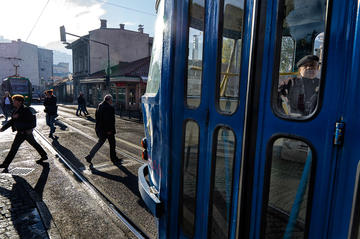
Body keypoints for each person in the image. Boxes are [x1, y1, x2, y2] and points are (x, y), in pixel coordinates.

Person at [0, 95, 48, 173]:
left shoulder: (25, 110)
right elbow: (12, 121)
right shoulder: (16, 109)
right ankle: (44, 155)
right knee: (34, 144)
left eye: (14, 101)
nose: (13, 102)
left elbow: (32, 121)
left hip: (24, 132)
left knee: (14, 148)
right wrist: (3, 128)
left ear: (20, 102)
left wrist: (30, 129)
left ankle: (6, 164)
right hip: (22, 132)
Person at [85, 94, 120, 164]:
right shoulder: (109, 108)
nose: (112, 101)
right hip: (108, 130)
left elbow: (97, 118)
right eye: (111, 100)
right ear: (108, 100)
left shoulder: (100, 106)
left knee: (100, 143)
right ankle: (113, 158)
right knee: (112, 144)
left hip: (100, 129)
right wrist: (109, 130)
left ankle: (90, 156)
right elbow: (108, 120)